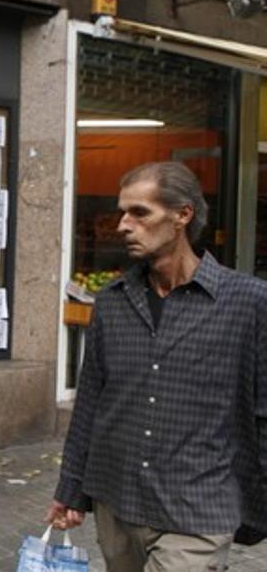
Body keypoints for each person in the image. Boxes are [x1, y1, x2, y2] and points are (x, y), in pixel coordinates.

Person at [46, 161, 267, 571]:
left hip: (199, 506)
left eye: (140, 213)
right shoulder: (112, 301)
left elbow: (262, 413)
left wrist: (256, 505)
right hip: (118, 502)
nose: (124, 225)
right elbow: (91, 401)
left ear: (183, 215)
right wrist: (70, 488)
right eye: (122, 213)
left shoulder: (248, 302)